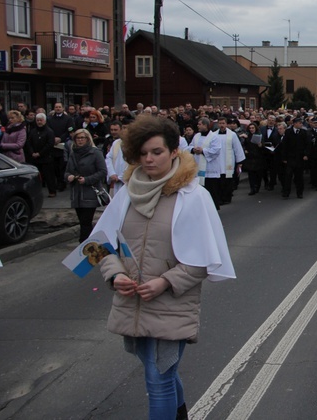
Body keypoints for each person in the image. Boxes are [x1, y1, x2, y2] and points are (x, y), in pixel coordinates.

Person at [92, 115, 235, 420]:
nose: (149, 159)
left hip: (171, 303)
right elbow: (95, 248)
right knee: (160, 373)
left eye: (156, 152)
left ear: (173, 152)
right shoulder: (127, 194)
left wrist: (165, 282)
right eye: (142, 153)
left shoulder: (194, 196)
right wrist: (114, 274)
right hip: (132, 302)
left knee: (158, 380)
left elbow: (206, 258)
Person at [65, 129, 107, 242]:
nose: (80, 140)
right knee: (82, 222)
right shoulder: (73, 153)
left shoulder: (95, 152)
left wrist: (87, 180)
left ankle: (84, 246)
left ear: (88, 139)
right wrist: (69, 177)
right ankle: (90, 245)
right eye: (77, 138)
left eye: (82, 138)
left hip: (90, 192)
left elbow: (103, 171)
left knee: (86, 222)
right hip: (76, 193)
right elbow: (67, 171)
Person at [188, 117, 221, 209]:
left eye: (200, 124)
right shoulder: (196, 136)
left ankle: (213, 207)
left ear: (205, 125)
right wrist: (193, 149)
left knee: (211, 189)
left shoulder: (214, 137)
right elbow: (189, 147)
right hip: (198, 167)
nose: (198, 126)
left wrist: (203, 151)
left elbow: (216, 150)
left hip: (210, 168)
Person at [27, 113, 58, 197]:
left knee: (49, 176)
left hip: (46, 157)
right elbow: (29, 143)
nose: (39, 122)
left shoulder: (49, 131)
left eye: (41, 120)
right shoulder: (33, 131)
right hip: (34, 157)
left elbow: (50, 144)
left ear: (44, 121)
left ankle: (52, 191)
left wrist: (40, 153)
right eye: (37, 120)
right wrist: (32, 152)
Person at [281, 117, 310, 199]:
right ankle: (286, 192)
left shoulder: (304, 132)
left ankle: (299, 192)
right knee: (288, 176)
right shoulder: (288, 132)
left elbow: (308, 145)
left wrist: (306, 155)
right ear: (294, 124)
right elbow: (285, 145)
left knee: (299, 177)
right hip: (290, 158)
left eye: (301, 123)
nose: (301, 124)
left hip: (300, 158)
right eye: (299, 123)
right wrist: (284, 158)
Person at [106, 120, 129, 197]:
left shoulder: (135, 143)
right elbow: (109, 158)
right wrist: (112, 173)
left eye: (126, 128)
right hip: (115, 179)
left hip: (127, 181)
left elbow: (134, 162)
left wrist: (121, 177)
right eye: (124, 128)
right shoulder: (116, 143)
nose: (125, 130)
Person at [243, 122, 265, 196]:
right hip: (250, 157)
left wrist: (260, 145)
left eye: (253, 128)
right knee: (251, 174)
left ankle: (257, 186)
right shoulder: (247, 136)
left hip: (258, 157)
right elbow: (244, 145)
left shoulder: (259, 135)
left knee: (258, 174)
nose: (251, 129)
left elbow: (263, 147)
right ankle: (252, 188)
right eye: (250, 128)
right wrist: (245, 150)